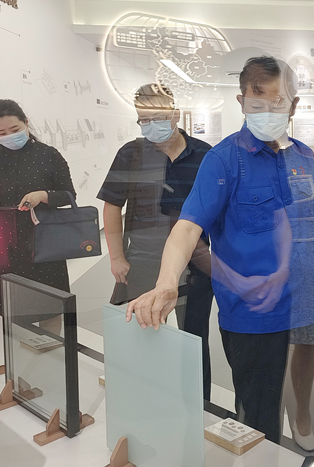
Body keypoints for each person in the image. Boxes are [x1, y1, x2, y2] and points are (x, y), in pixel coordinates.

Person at [125, 57, 314, 454]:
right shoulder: (223, 160)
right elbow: (187, 227)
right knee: (258, 421)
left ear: (294, 103)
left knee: (310, 408)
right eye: (258, 102)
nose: (269, 110)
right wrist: (167, 283)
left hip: (305, 307)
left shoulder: (306, 158)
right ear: (242, 101)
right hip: (254, 313)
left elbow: (311, 231)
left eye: (279, 101)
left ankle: (307, 446)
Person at [97, 82, 214, 400]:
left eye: (158, 117)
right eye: (144, 119)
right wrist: (117, 257)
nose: (151, 125)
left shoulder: (205, 155)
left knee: (194, 340)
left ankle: (196, 404)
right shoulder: (131, 154)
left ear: (175, 114)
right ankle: (140, 398)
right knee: (136, 334)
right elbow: (112, 205)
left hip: (194, 265)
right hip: (143, 261)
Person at [0, 99, 75, 319]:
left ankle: (50, 339)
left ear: (26, 122)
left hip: (43, 240)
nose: (9, 135)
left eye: (15, 129)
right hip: (1, 242)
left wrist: (43, 196)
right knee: (5, 304)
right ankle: (12, 339)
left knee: (50, 303)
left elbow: (69, 195)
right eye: (1, 133)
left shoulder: (48, 155)